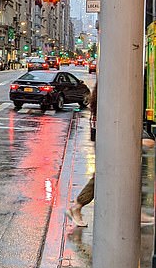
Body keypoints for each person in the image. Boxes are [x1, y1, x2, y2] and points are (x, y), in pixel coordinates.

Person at [66, 84, 155, 226]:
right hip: (111, 140)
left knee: (113, 173)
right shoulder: (112, 91)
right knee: (107, 174)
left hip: (110, 138)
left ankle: (78, 206)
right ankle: (77, 206)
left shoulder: (107, 90)